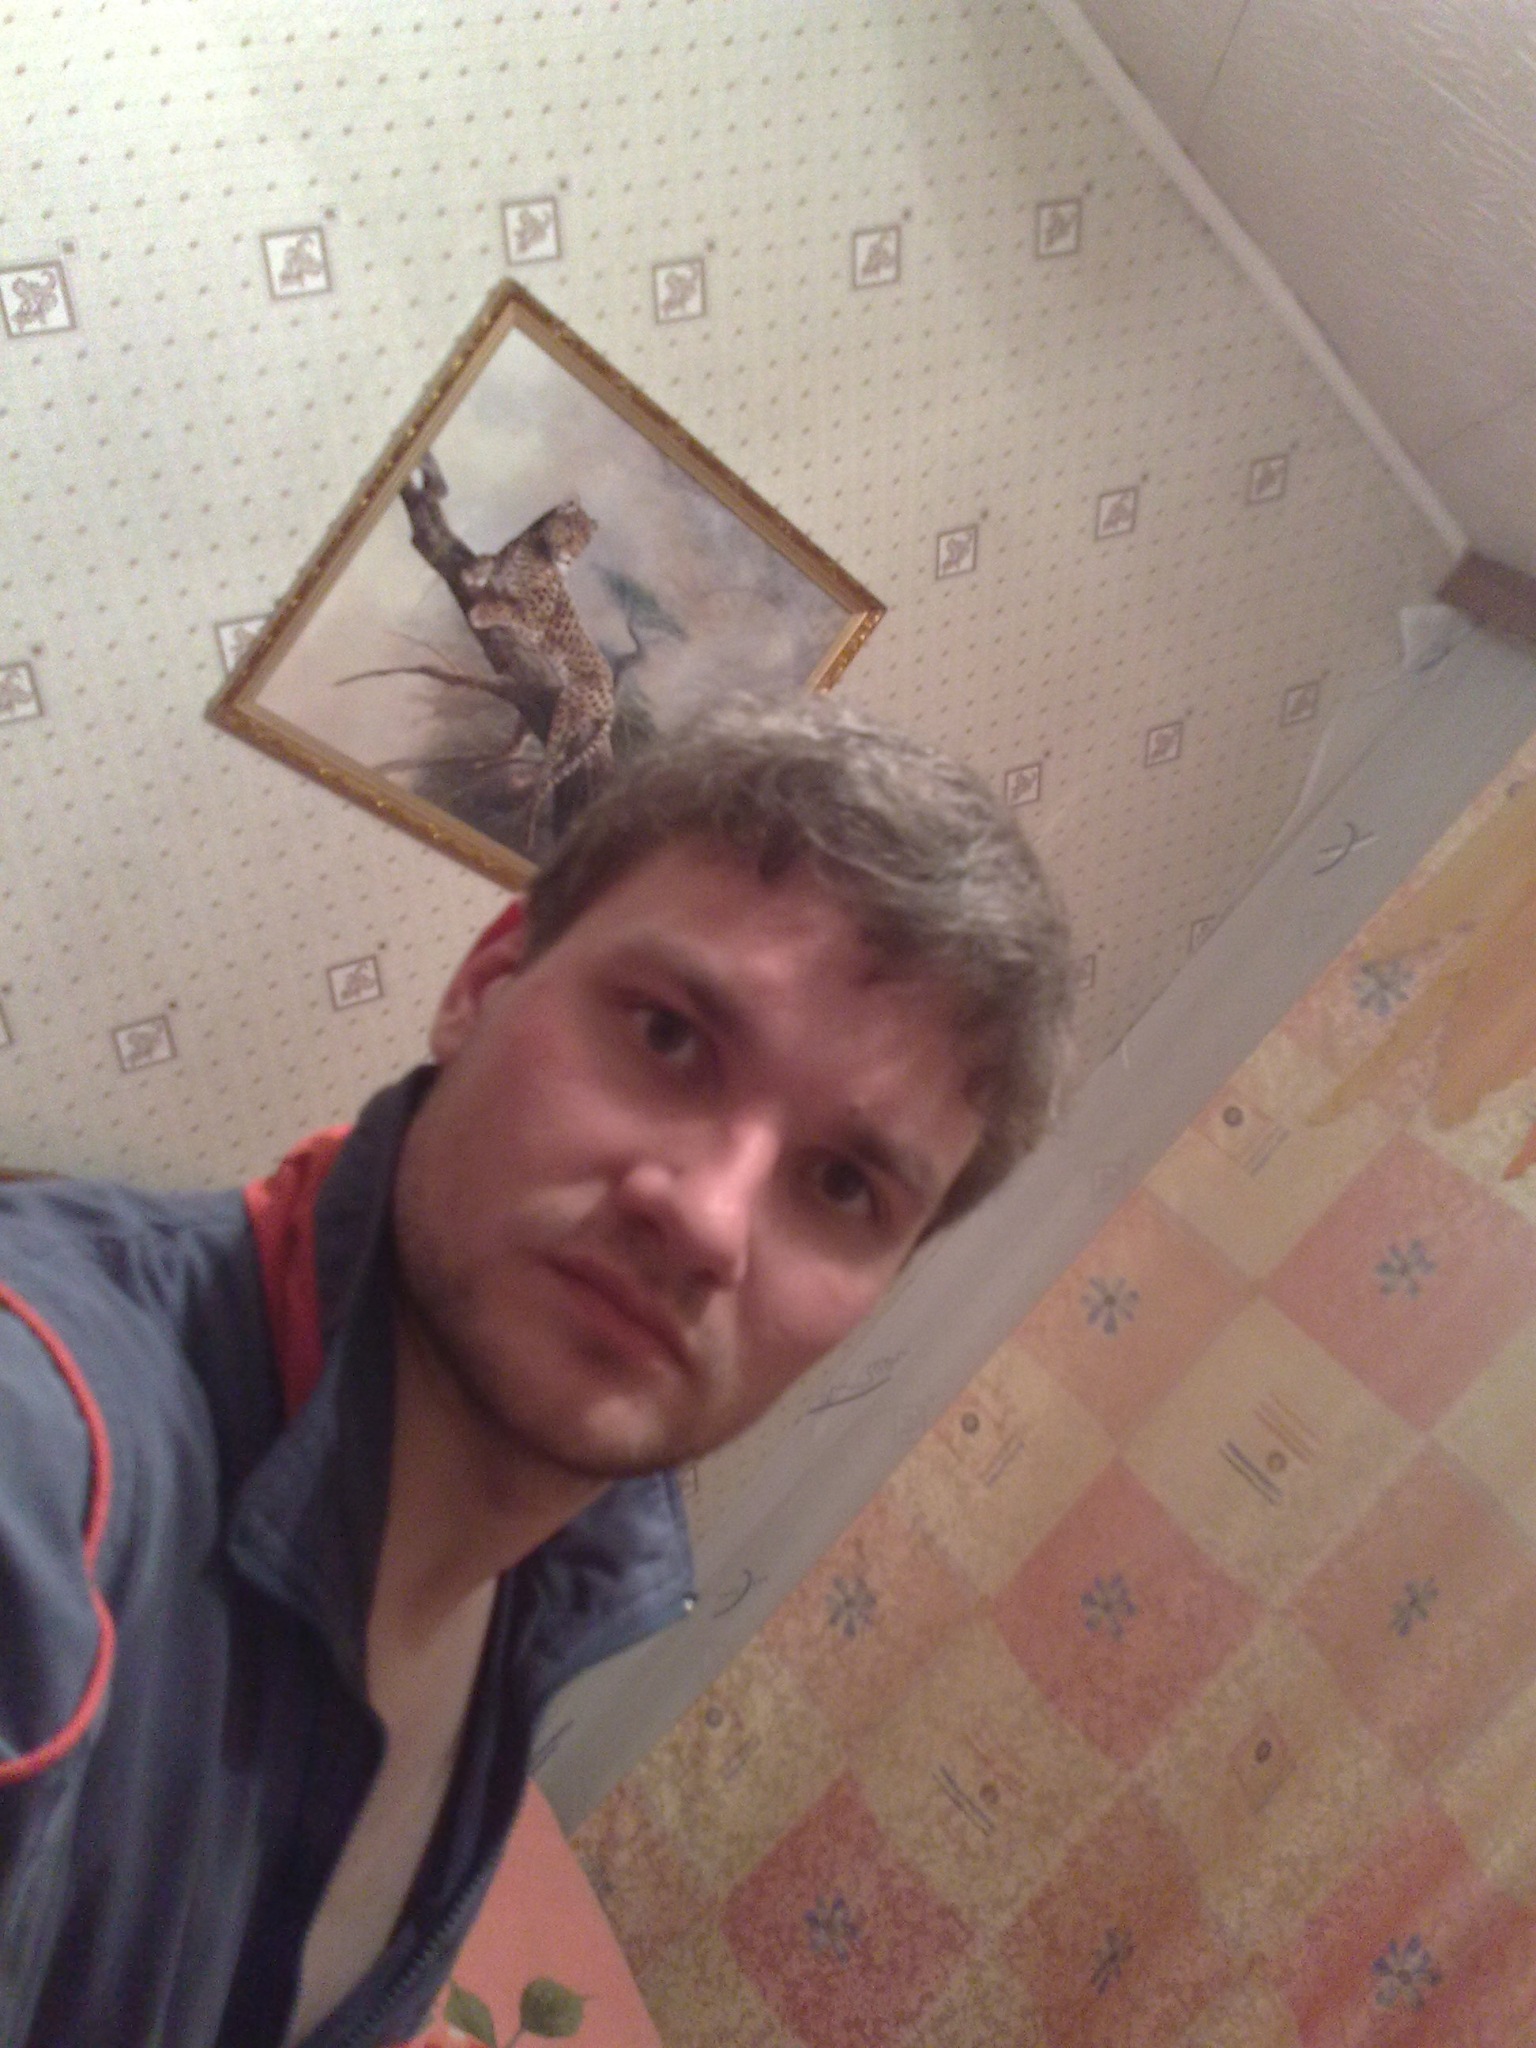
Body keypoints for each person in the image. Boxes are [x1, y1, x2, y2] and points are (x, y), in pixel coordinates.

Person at [0, 695, 1070, 2048]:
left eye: (846, 1185)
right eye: (669, 1035)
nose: (709, 1219)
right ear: (485, 983)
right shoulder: (49, 1451)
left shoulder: (552, 1579)